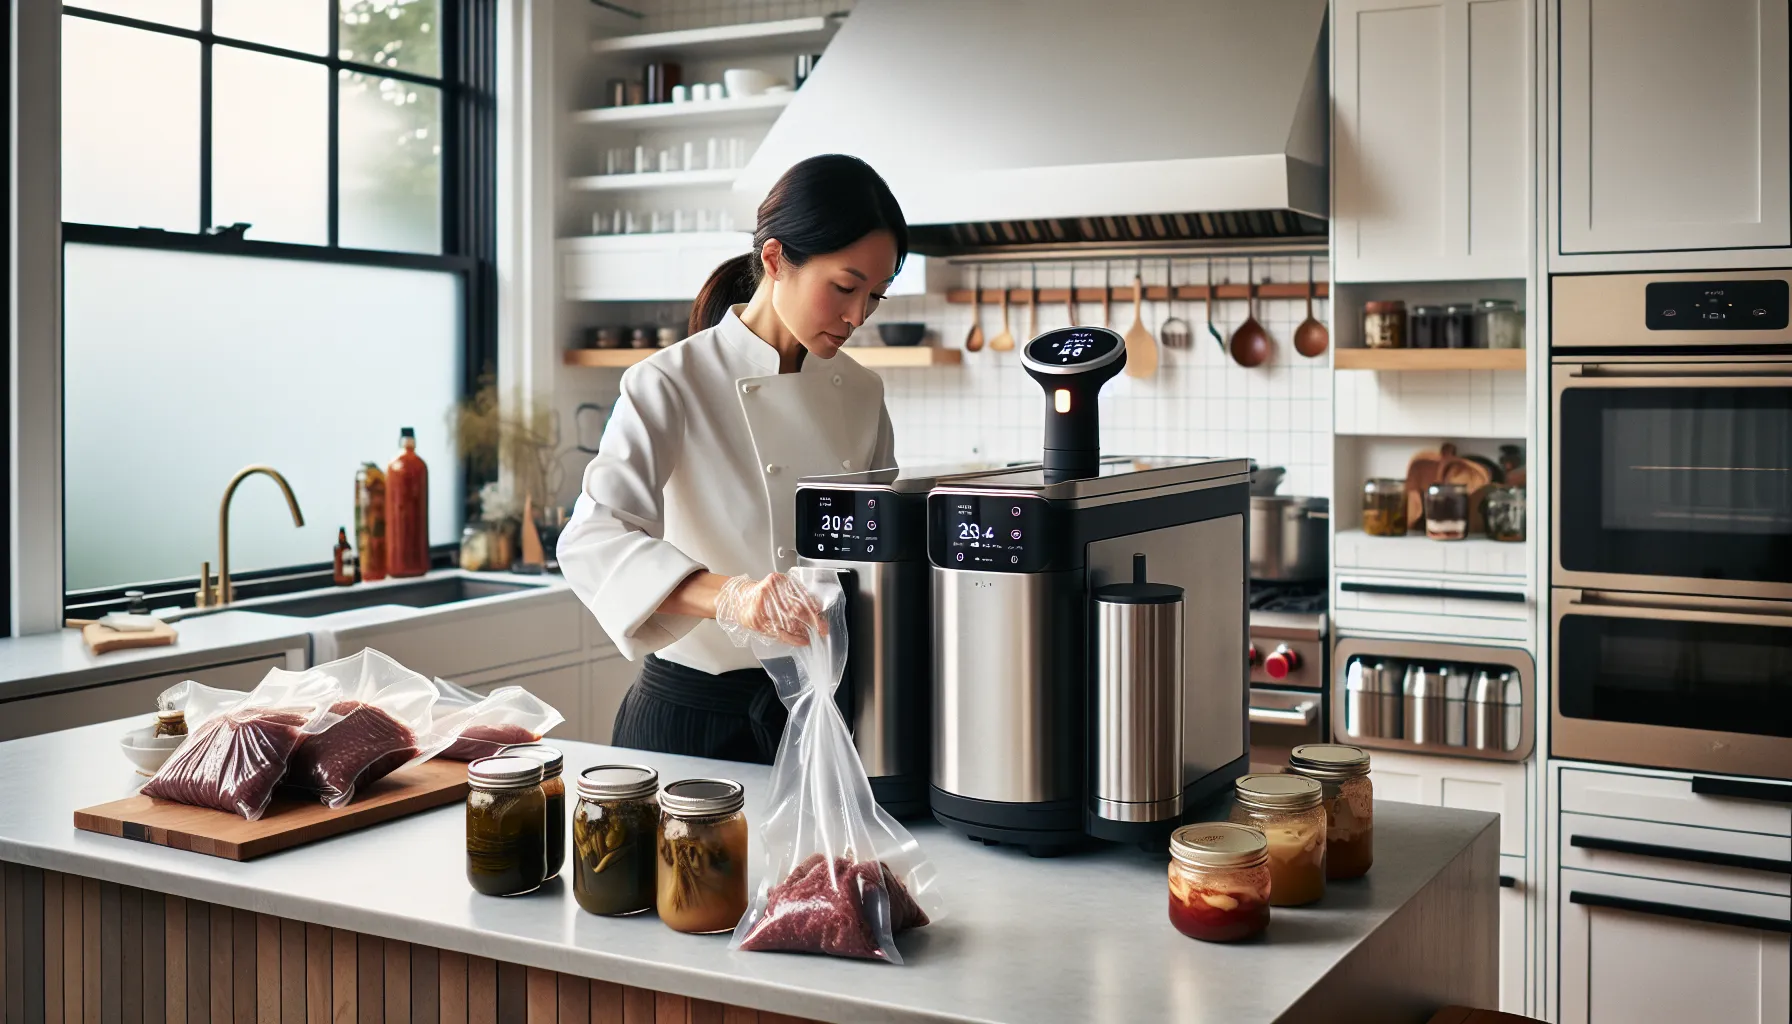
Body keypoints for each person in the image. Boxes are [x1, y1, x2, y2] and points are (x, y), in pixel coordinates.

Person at [557, 154, 908, 763]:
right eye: (845, 288)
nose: (858, 317)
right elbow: (592, 537)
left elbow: (880, 557)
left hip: (824, 715)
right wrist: (731, 598)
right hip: (693, 716)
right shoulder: (670, 381)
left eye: (875, 296)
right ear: (775, 260)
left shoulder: (862, 394)